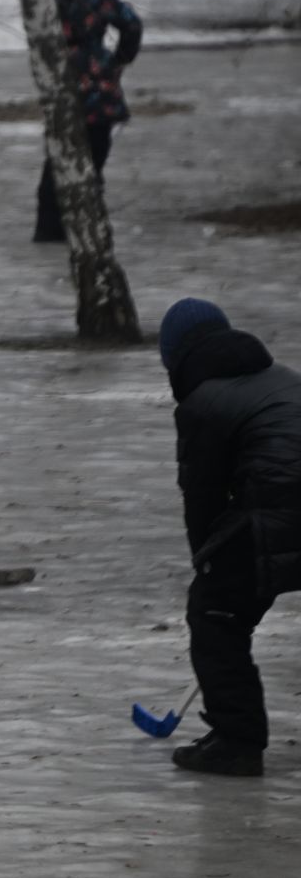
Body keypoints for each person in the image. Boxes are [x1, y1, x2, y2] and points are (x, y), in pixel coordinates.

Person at [157, 299, 301, 777]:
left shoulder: (203, 402)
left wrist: (207, 562)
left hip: (278, 507)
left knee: (215, 611)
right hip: (279, 504)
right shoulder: (281, 376)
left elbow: (202, 496)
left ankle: (236, 741)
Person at [33, 0, 143, 244]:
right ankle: (86, 224)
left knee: (59, 158)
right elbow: (132, 25)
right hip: (95, 88)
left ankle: (49, 228)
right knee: (93, 159)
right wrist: (120, 59)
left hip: (60, 84)